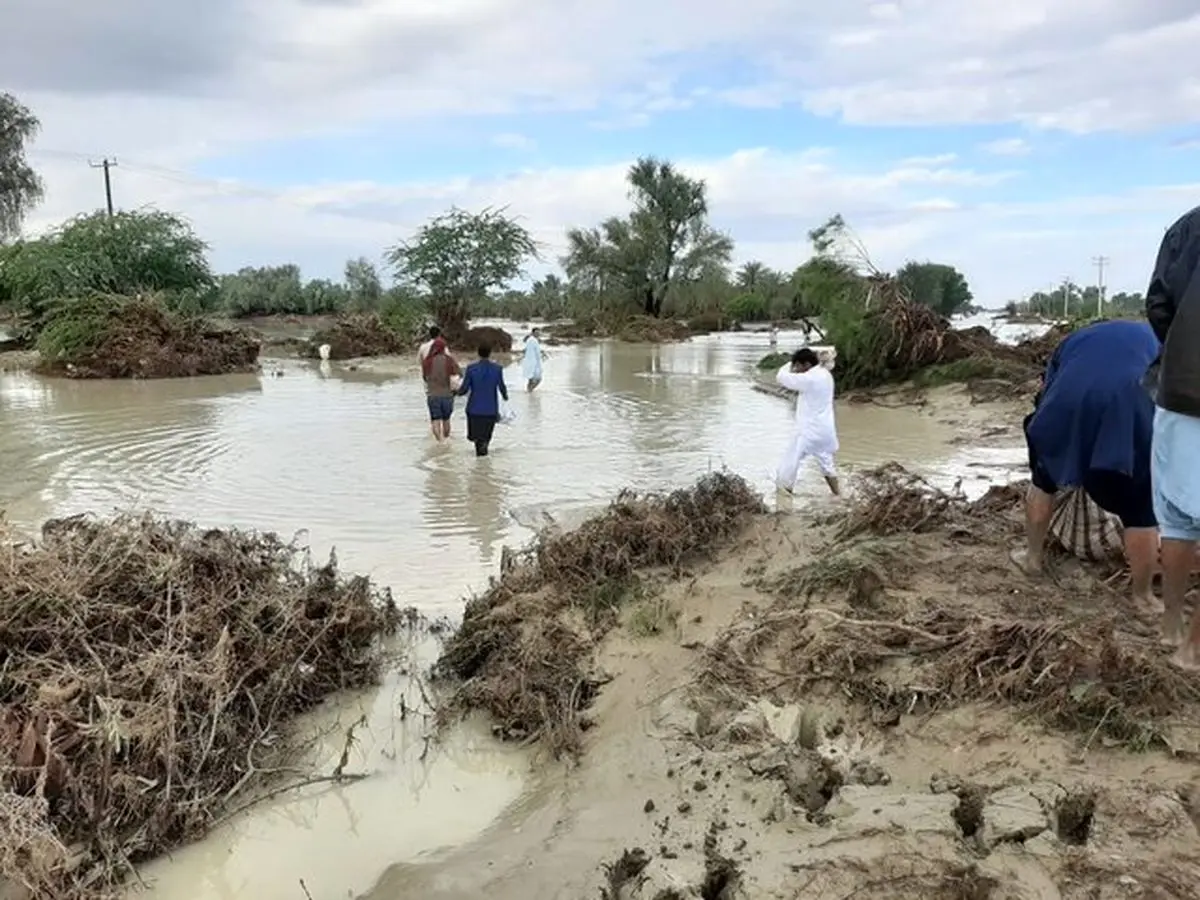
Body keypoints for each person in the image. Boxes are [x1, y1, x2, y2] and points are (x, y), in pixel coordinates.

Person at [1016, 320, 1159, 615]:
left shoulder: (1073, 341)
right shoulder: (1164, 340)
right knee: (1140, 510)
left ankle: (1032, 559)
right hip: (1128, 407)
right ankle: (1143, 597)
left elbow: (1046, 390)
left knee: (1042, 482)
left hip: (1063, 404)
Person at [1146, 204, 1200, 664]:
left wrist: (1182, 344)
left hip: (1180, 389)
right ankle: (1194, 650)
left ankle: (1171, 626)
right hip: (1180, 386)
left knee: (1178, 519)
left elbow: (1158, 304)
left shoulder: (1189, 226)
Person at [775, 347, 839, 496]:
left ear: (806, 365)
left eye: (797, 365)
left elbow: (781, 377)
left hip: (808, 431)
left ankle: (785, 501)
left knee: (789, 465)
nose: (796, 369)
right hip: (825, 431)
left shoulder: (809, 378)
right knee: (827, 464)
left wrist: (788, 364)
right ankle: (838, 496)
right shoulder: (826, 375)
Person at [456, 343, 509, 457]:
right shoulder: (497, 369)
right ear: (490, 354)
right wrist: (505, 397)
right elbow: (502, 387)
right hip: (490, 410)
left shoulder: (471, 369)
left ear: (478, 353)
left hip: (474, 409)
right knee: (486, 438)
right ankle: (483, 465)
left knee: (476, 438)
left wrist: (455, 393)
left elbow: (464, 389)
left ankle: (480, 465)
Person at [422, 335, 460, 441]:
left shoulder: (427, 362)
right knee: (446, 420)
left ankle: (439, 441)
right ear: (444, 348)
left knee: (435, 420)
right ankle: (446, 439)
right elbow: (457, 376)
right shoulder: (450, 360)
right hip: (447, 396)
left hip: (433, 395)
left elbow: (425, 378)